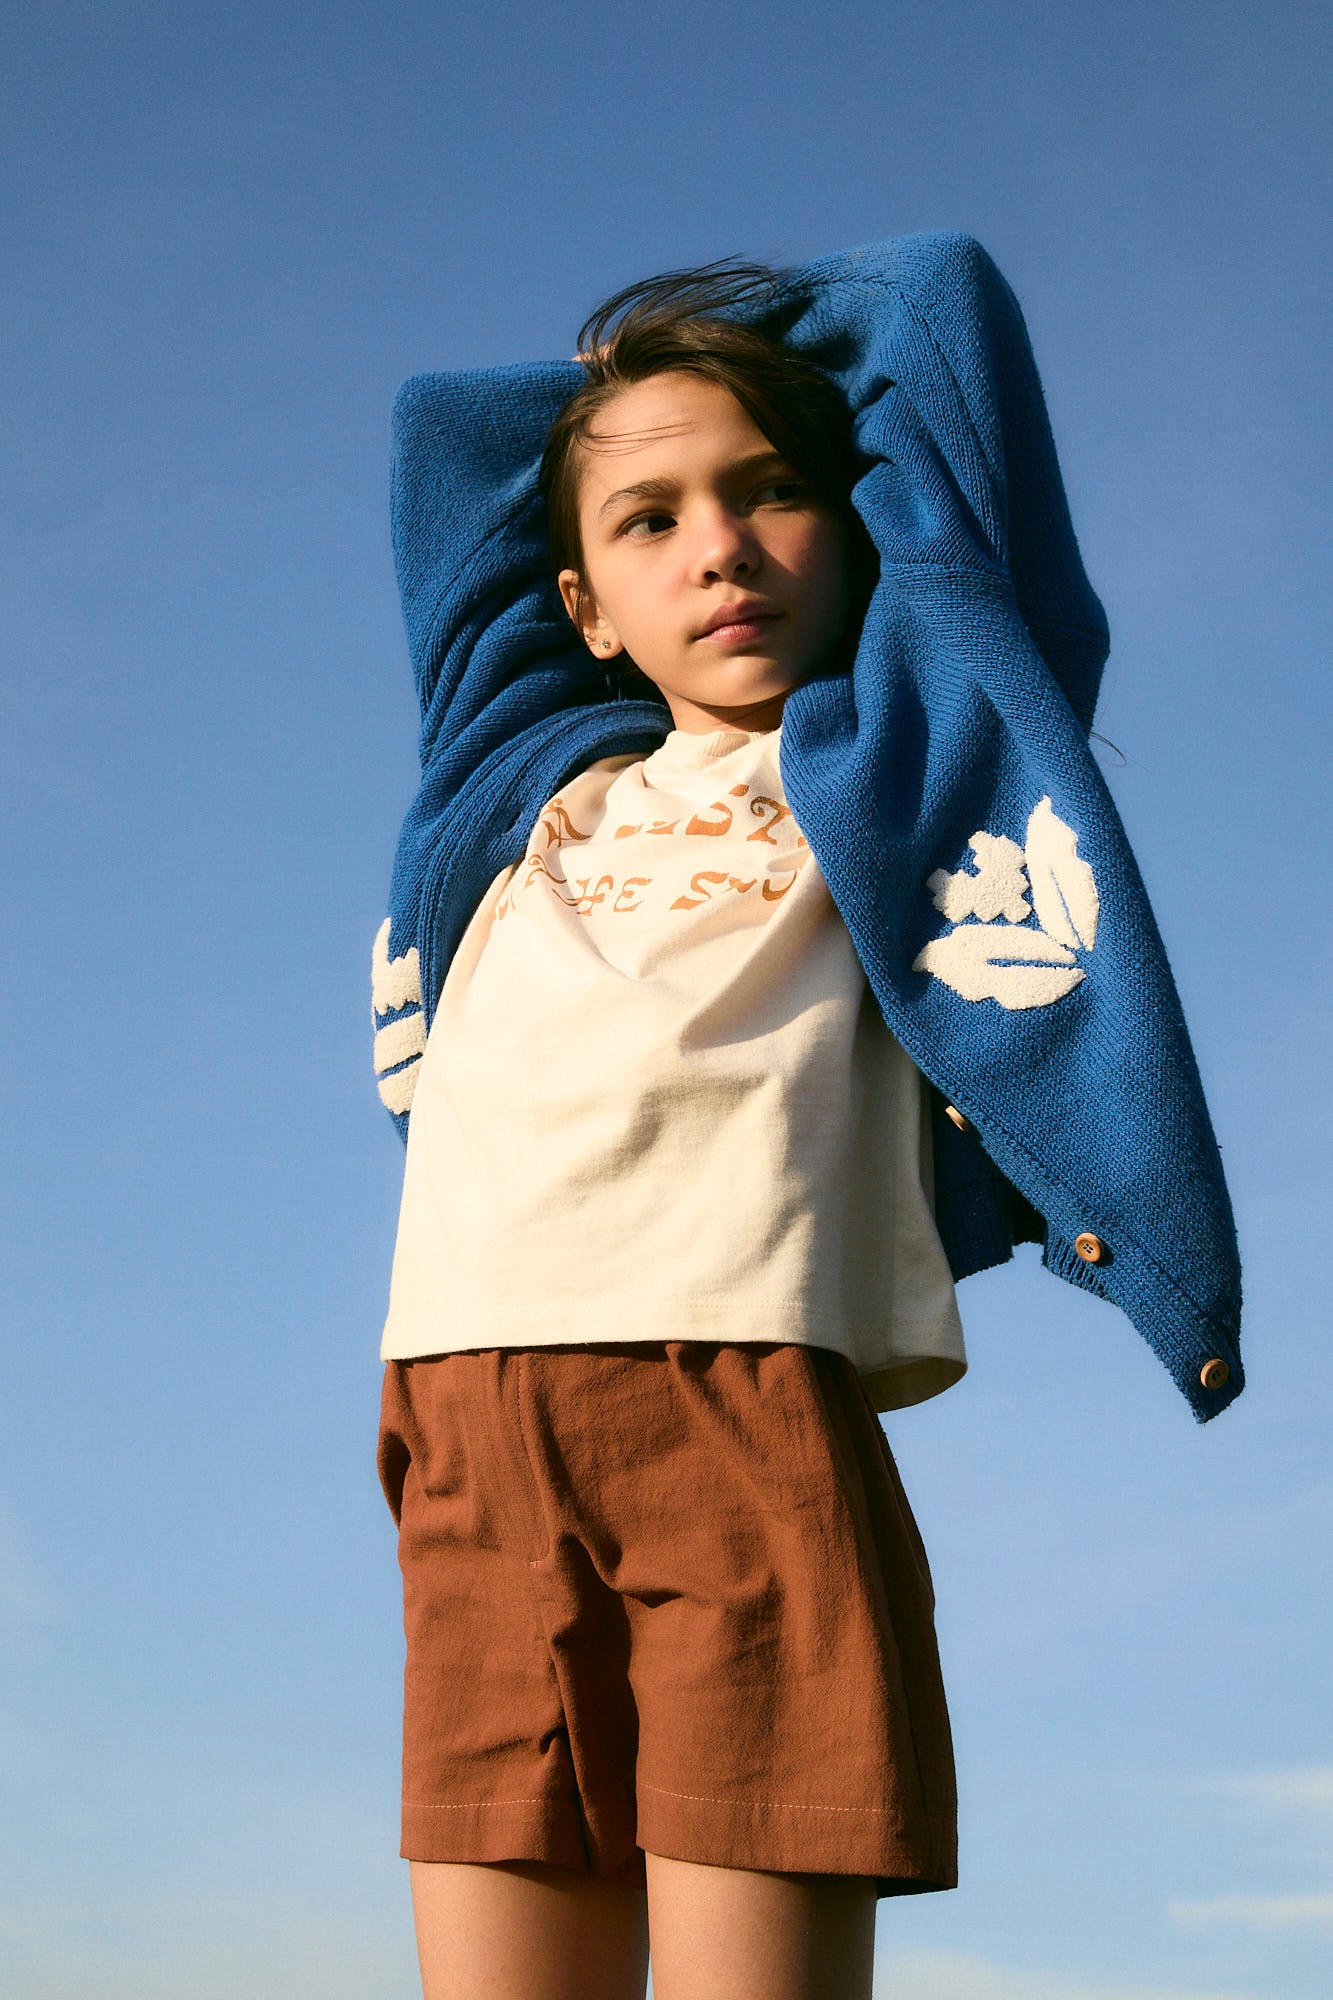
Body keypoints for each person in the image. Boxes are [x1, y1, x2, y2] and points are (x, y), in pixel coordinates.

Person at [370, 237, 1243, 2000]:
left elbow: (940, 311)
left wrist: (704, 367)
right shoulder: (523, 777)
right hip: (464, 1419)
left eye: (770, 494)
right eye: (653, 519)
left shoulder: (905, 753)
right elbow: (439, 434)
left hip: (742, 1397)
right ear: (580, 609)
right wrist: (627, 392)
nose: (718, 546)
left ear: (853, 529)